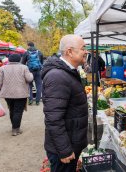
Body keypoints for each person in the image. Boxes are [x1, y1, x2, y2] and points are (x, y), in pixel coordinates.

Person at [41, 34, 88, 171]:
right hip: (64, 148)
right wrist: (65, 150)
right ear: (69, 52)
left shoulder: (67, 72)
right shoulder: (57, 76)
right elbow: (53, 119)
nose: (86, 51)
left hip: (71, 141)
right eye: (83, 48)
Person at [0, 54, 34, 136]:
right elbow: (29, 79)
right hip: (21, 93)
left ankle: (14, 127)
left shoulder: (2, 68)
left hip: (7, 94)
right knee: (18, 111)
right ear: (19, 60)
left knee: (12, 110)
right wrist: (32, 74)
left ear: (9, 60)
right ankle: (16, 129)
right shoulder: (24, 67)